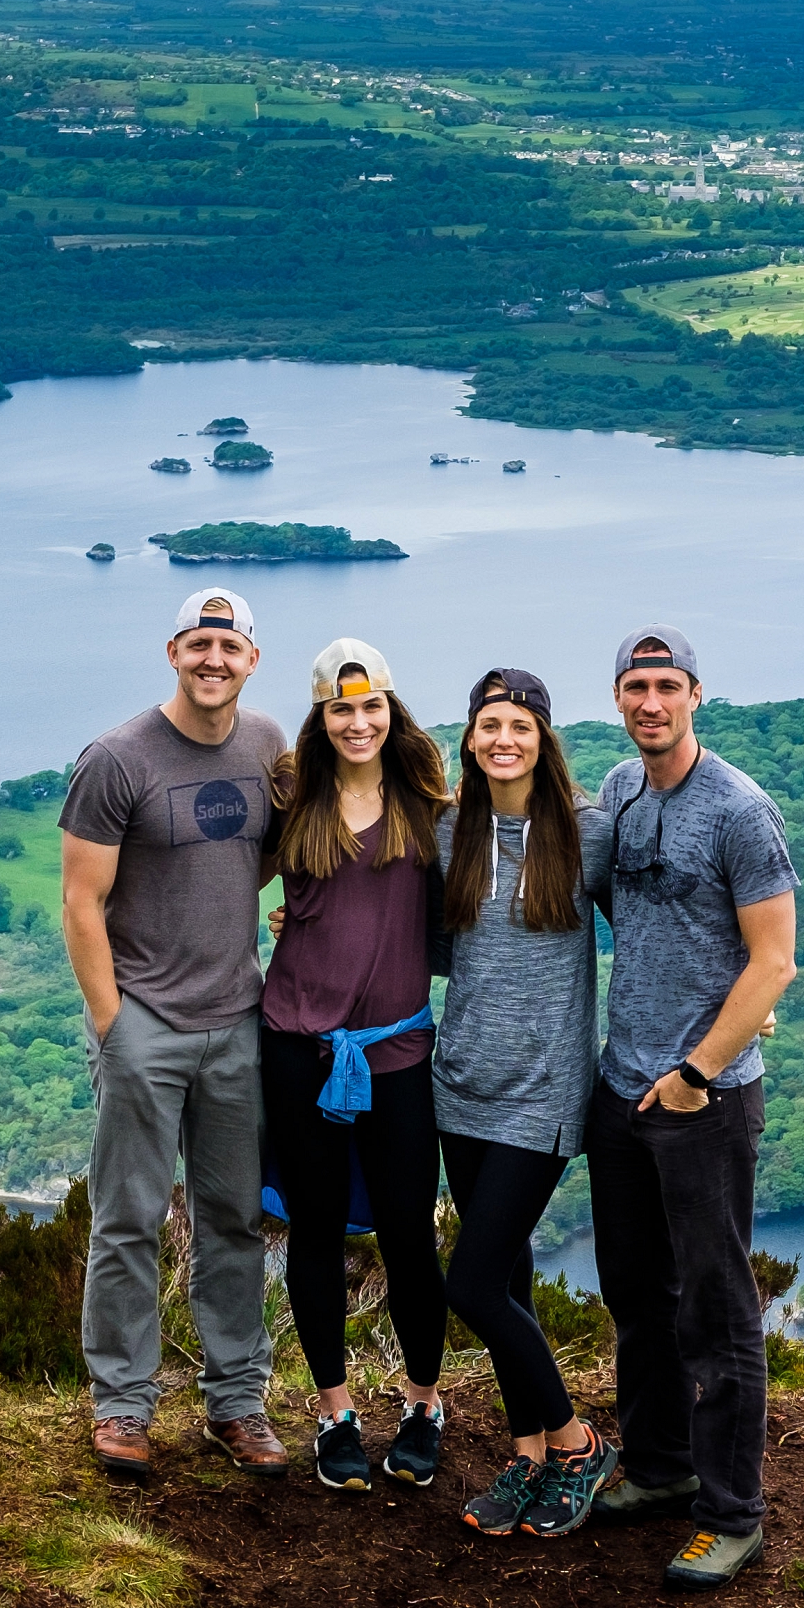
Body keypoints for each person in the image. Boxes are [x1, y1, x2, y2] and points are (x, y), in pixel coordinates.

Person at [582, 625, 799, 1589]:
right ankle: (663, 1468)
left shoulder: (742, 811)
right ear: (619, 697)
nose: (650, 703)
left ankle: (732, 1510)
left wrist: (697, 1073)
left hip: (702, 1098)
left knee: (716, 1306)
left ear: (697, 695)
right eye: (635, 687)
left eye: (666, 686)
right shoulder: (621, 792)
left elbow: (774, 961)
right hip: (622, 1085)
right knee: (637, 1294)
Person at [62, 588, 288, 1483]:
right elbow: (81, 903)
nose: (213, 660)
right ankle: (122, 1404)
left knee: (234, 1217)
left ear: (251, 660)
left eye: (228, 648)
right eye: (198, 644)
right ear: (172, 651)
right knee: (128, 1219)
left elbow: (267, 852)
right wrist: (115, 1024)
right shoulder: (118, 759)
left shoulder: (267, 745)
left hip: (237, 1017)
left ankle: (237, 1401)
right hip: (144, 1021)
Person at [430, 667, 623, 1540]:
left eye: (520, 725)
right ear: (470, 739)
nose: (502, 738)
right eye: (488, 725)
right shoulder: (450, 829)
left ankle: (580, 1445)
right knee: (507, 1278)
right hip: (459, 1084)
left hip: (542, 1096)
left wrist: (752, 984)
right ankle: (529, 1456)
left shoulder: (585, 834)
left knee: (469, 1280)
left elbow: (658, 922)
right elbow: (419, 940)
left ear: (544, 738)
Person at [259, 637, 454, 1492]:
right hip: (299, 1046)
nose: (358, 720)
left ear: (391, 709)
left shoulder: (429, 806)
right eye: (341, 707)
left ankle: (422, 1401)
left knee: (411, 1234)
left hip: (398, 1052)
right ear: (320, 715)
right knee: (317, 1228)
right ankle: (336, 1411)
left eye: (371, 704)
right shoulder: (290, 798)